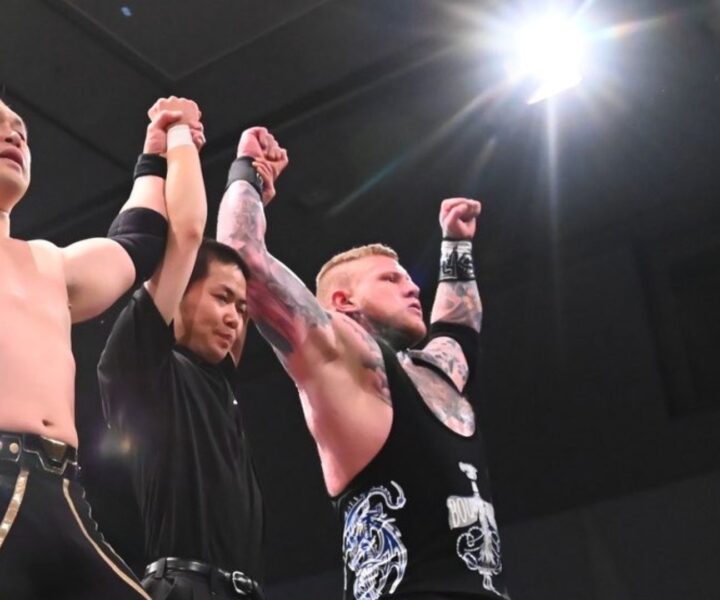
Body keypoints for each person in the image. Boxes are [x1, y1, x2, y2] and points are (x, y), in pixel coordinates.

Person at [217, 127, 511, 599]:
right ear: (343, 302)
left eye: (408, 279)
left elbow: (459, 330)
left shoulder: (435, 373)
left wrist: (455, 245)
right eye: (390, 279)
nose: (413, 287)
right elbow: (243, 259)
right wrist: (247, 174)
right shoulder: (342, 356)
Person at [0, 95, 202, 598]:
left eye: (21, 127)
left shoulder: (50, 263)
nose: (14, 134)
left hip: (63, 494)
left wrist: (154, 155)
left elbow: (138, 242)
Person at [97, 126, 288, 600]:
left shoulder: (221, 382)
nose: (235, 317)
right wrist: (173, 143)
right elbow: (183, 237)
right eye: (222, 298)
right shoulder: (149, 372)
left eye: (241, 308)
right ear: (180, 291)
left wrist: (248, 180)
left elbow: (243, 255)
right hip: (182, 588)